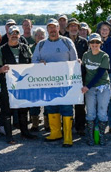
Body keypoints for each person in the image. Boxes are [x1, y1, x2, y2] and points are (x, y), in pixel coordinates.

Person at [32, 19, 78, 147]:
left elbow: (75, 62)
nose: (52, 30)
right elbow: (34, 61)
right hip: (48, 84)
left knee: (67, 108)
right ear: (47, 30)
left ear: (59, 28)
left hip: (65, 83)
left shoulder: (67, 42)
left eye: (54, 27)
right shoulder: (41, 44)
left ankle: (68, 136)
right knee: (51, 107)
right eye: (50, 28)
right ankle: (55, 132)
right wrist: (39, 64)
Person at [0, 26, 37, 144]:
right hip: (7, 85)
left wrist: (40, 65)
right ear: (7, 35)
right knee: (7, 110)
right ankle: (9, 135)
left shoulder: (25, 48)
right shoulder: (1, 50)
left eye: (16, 33)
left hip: (23, 85)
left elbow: (32, 63)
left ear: (19, 35)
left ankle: (25, 132)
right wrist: (2, 69)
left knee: (23, 109)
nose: (14, 35)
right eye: (11, 33)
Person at [81, 33, 111, 146]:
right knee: (90, 113)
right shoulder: (85, 55)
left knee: (102, 113)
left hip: (102, 86)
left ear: (100, 43)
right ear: (89, 43)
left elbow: (100, 74)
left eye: (97, 42)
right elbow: (83, 71)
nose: (94, 44)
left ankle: (101, 136)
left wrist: (87, 86)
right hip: (89, 88)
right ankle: (90, 137)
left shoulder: (104, 56)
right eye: (92, 42)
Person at [67, 18, 89, 136]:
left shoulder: (84, 42)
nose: (74, 28)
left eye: (76, 26)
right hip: (66, 77)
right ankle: (67, 126)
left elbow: (88, 58)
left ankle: (80, 126)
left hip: (81, 76)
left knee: (80, 103)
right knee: (67, 103)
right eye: (71, 26)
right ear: (67, 28)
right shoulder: (63, 41)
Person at [29, 27, 46, 131]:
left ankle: (47, 122)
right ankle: (35, 123)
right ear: (34, 37)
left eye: (42, 35)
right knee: (34, 101)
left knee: (48, 100)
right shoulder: (30, 48)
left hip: (47, 78)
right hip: (34, 78)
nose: (40, 37)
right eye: (37, 35)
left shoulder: (49, 47)